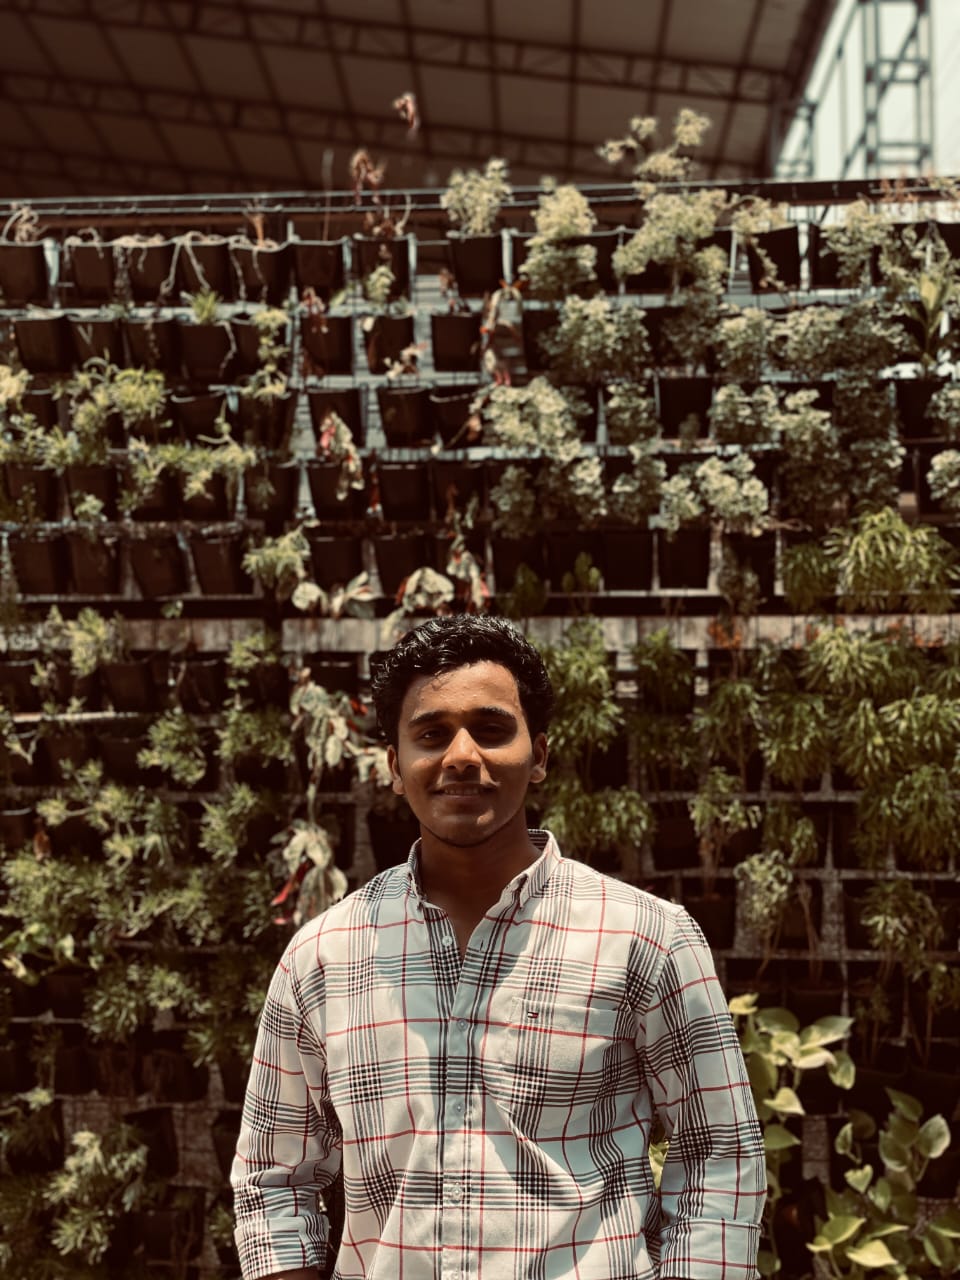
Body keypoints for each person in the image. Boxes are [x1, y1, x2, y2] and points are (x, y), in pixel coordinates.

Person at [231, 614, 765, 1280]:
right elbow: (273, 1180)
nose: (461, 755)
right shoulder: (323, 957)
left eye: (490, 729)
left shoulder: (645, 937)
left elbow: (719, 1154)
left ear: (538, 756)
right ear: (394, 766)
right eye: (432, 734)